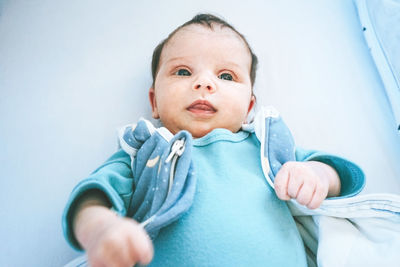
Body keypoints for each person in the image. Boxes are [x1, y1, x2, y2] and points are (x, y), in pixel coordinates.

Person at [62, 14, 364, 267]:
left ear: (249, 108)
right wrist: (100, 228)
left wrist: (317, 176)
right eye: (182, 71)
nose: (204, 83)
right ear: (154, 102)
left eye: (227, 76)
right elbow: (92, 197)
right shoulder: (145, 149)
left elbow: (340, 176)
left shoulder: (264, 146)